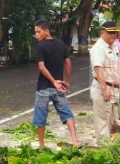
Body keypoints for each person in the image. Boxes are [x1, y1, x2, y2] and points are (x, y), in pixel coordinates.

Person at [32, 19, 85, 148]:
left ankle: (41, 144)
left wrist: (53, 81)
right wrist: (66, 82)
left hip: (44, 88)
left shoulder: (40, 47)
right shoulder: (61, 44)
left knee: (41, 116)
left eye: (39, 32)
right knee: (66, 113)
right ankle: (75, 141)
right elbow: (68, 63)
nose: (37, 35)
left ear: (46, 31)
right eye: (36, 33)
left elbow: (41, 67)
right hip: (59, 88)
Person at [89, 21, 120, 143]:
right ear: (102, 33)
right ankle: (103, 150)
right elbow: (98, 69)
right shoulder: (99, 48)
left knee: (111, 122)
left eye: (114, 32)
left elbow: (116, 66)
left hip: (114, 89)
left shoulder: (113, 46)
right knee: (102, 123)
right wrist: (104, 89)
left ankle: (108, 147)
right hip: (103, 90)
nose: (113, 35)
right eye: (110, 32)